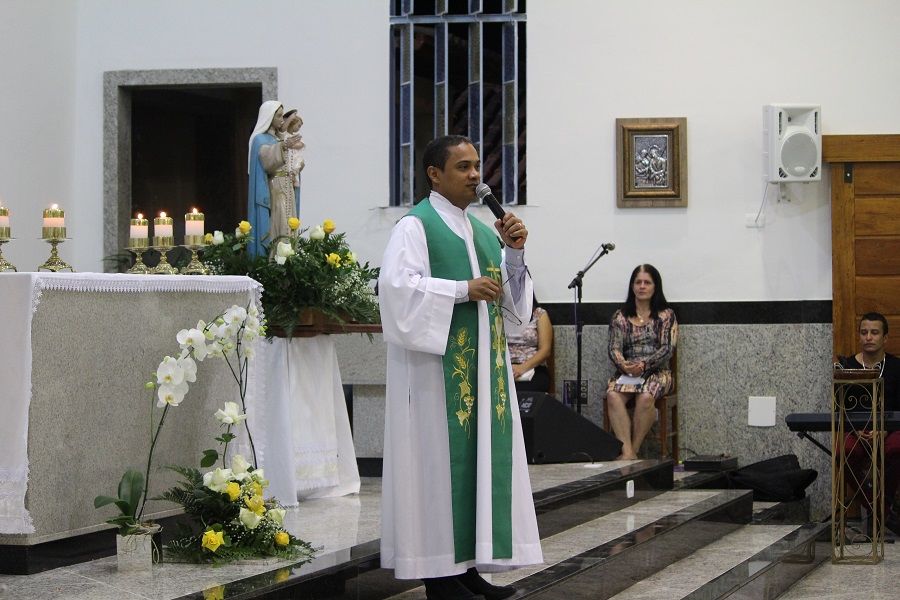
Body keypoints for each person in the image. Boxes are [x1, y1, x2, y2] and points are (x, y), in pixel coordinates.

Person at [378, 135, 543, 600]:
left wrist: (514, 253)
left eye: (476, 166)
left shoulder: (483, 231)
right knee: (437, 469)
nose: (475, 175)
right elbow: (396, 291)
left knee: (475, 470)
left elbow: (515, 310)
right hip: (435, 379)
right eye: (463, 167)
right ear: (434, 174)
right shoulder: (415, 226)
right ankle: (439, 577)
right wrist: (460, 289)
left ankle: (466, 569)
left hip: (483, 376)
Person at [605, 264, 678, 460]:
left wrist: (644, 365)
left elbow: (667, 348)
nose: (642, 286)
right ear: (632, 286)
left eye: (647, 282)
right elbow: (613, 348)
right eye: (638, 282)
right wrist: (624, 365)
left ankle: (633, 449)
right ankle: (627, 451)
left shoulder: (666, 315)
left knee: (646, 397)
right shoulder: (620, 316)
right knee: (612, 395)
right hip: (628, 372)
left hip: (657, 372)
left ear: (655, 286)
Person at [838, 312, 900, 534]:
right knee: (843, 453)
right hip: (856, 430)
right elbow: (840, 407)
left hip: (889, 430)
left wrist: (884, 430)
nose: (869, 337)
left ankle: (880, 509)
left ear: (885, 338)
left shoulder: (896, 367)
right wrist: (856, 429)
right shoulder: (846, 366)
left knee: (897, 449)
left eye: (874, 332)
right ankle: (881, 510)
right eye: (864, 332)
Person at [246, 101, 303, 255]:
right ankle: (277, 258)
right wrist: (282, 147)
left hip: (287, 186)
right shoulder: (260, 139)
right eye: (278, 116)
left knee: (290, 221)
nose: (281, 120)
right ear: (269, 117)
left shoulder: (277, 138)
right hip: (274, 189)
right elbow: (266, 159)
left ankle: (289, 257)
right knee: (280, 221)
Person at [506, 296, 553, 393]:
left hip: (532, 367)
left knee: (525, 392)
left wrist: (521, 368)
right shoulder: (498, 313)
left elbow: (545, 350)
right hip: (504, 367)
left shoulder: (539, 314)